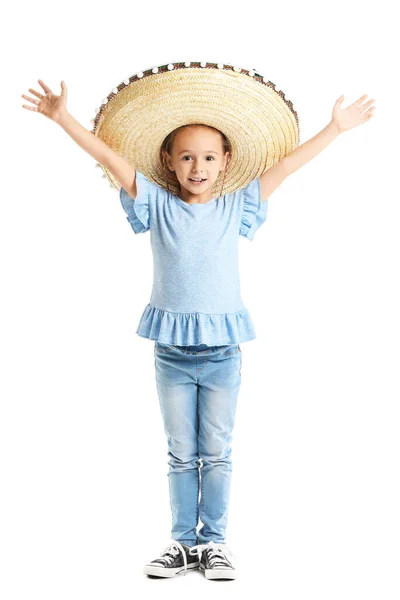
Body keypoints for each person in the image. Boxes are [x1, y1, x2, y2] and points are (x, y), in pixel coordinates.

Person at [21, 63, 375, 581]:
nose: (197, 166)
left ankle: (215, 543)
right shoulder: (158, 205)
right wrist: (63, 118)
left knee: (218, 450)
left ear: (226, 161)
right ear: (168, 160)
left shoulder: (238, 206)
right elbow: (107, 157)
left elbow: (289, 167)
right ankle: (181, 542)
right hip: (170, 351)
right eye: (186, 156)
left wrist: (336, 128)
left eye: (209, 156)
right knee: (181, 453)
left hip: (223, 352)